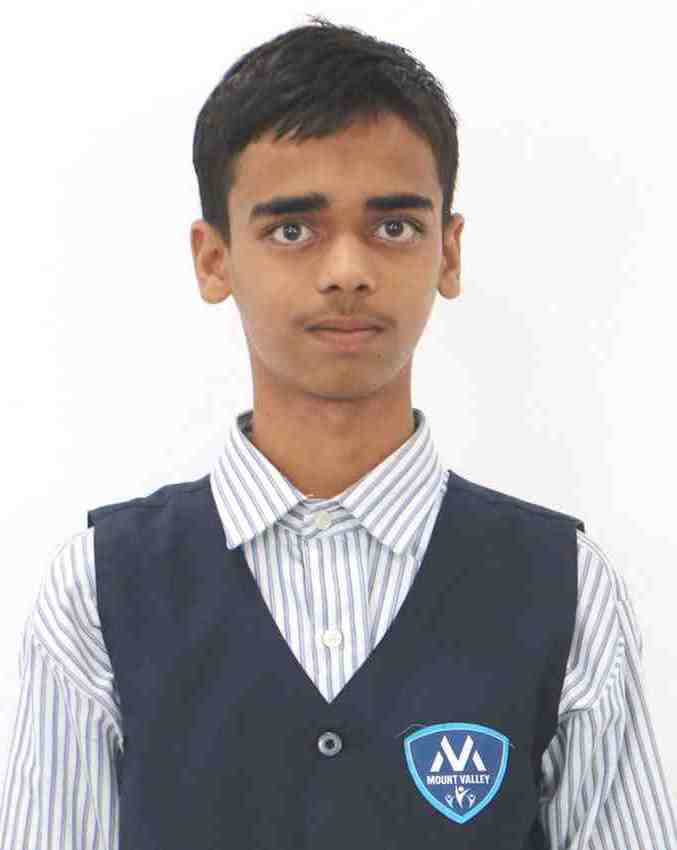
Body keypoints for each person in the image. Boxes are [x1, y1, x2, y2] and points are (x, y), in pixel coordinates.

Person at [1, 14, 676, 850]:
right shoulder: (98, 590)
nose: (347, 270)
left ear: (447, 252)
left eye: (393, 226)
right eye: (292, 229)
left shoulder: (566, 588)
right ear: (213, 259)